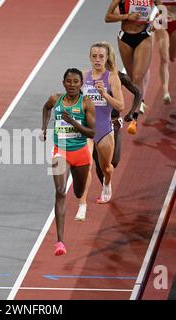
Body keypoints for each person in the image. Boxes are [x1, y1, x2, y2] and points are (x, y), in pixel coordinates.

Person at [41, 68, 95, 256]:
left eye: (76, 82)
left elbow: (92, 133)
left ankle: (81, 197)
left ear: (81, 84)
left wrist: (73, 122)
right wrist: (44, 128)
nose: (72, 85)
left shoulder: (86, 103)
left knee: (79, 191)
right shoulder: (55, 99)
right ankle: (60, 242)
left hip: (80, 153)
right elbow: (45, 108)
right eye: (69, 82)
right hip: (60, 152)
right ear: (63, 83)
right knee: (60, 191)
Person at [79, 71, 141, 216]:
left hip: (114, 124)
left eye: (103, 58)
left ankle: (107, 180)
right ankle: (105, 187)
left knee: (114, 161)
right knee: (98, 163)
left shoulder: (119, 77)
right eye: (96, 58)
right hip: (96, 126)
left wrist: (132, 113)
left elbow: (138, 93)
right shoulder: (89, 78)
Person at [75, 42, 124, 221]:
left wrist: (105, 94)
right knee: (85, 165)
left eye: (101, 56)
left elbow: (121, 105)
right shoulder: (83, 76)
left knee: (107, 168)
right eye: (94, 56)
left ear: (106, 58)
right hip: (87, 130)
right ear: (90, 57)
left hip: (104, 129)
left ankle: (107, 183)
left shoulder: (112, 78)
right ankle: (82, 205)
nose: (97, 59)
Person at [105, 0, 163, 114]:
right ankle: (139, 98)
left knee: (138, 77)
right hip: (125, 38)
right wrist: (127, 16)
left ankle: (134, 115)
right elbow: (107, 17)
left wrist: (158, 22)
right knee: (132, 79)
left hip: (144, 36)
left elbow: (164, 14)